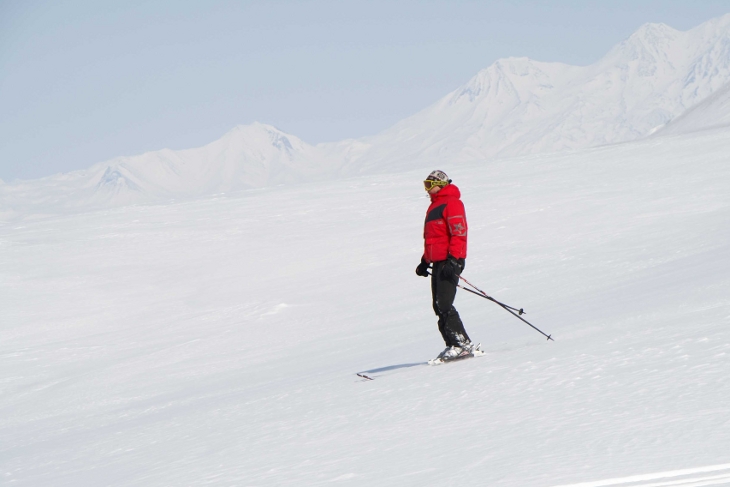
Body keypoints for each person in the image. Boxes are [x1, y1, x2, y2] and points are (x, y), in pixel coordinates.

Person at [415, 170, 477, 361]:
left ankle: (461, 345)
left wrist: (454, 259)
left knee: (444, 303)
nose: (427, 189)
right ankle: (453, 344)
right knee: (438, 305)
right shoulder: (435, 206)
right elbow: (434, 239)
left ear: (440, 185)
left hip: (450, 260)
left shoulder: (451, 203)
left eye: (429, 184)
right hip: (439, 261)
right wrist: (425, 261)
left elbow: (459, 232)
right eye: (425, 184)